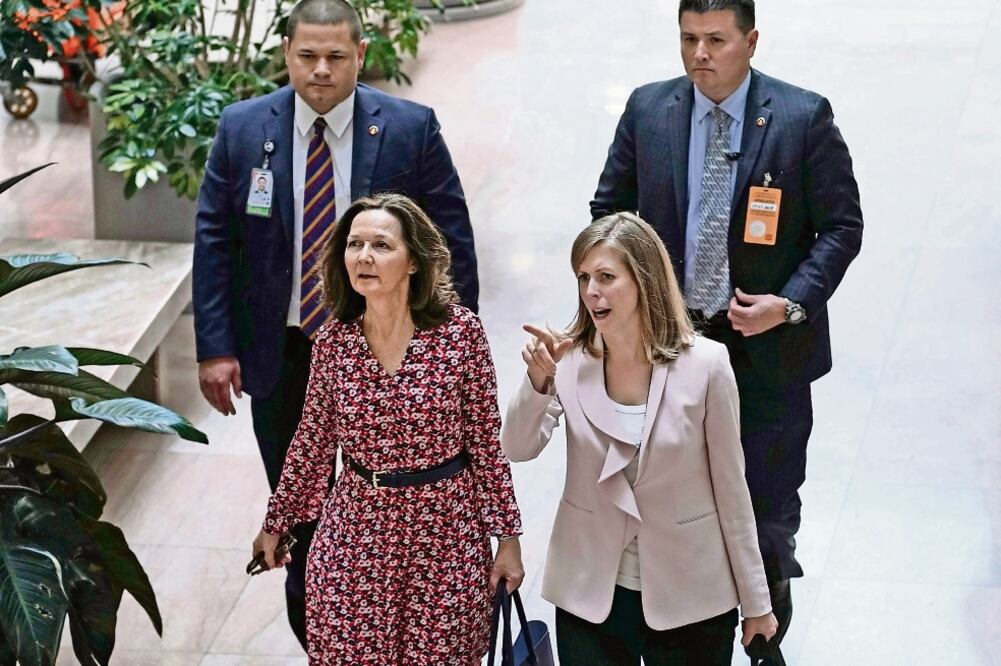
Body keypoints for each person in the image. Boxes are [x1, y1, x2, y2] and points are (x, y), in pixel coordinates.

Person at [193, 0, 478, 647]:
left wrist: (455, 350)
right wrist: (215, 347)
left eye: (335, 56)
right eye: (306, 55)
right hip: (285, 350)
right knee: (301, 513)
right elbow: (214, 239)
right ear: (286, 54)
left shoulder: (409, 128)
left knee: (392, 502)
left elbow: (450, 239)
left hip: (390, 354)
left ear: (360, 54)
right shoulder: (243, 130)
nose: (320, 70)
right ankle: (325, 640)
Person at [590, 0, 863, 653]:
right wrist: (629, 301)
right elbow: (608, 212)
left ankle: (765, 636)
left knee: (765, 518)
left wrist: (789, 303)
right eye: (687, 39)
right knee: (676, 512)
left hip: (765, 358)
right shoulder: (648, 110)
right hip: (671, 351)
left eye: (715, 40)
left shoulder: (801, 119)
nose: (699, 55)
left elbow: (840, 227)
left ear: (751, 41)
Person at [252, 192, 524, 664]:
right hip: (356, 533)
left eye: (381, 245)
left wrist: (508, 538)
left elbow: (485, 445)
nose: (364, 256)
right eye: (355, 244)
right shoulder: (335, 342)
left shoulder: (461, 336)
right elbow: (313, 442)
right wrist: (277, 522)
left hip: (445, 536)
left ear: (414, 261)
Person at [502, 213, 776, 665]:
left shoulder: (707, 364)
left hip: (691, 594)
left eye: (606, 277)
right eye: (584, 277)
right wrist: (537, 383)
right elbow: (517, 447)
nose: (592, 291)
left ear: (644, 280)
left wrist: (757, 603)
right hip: (589, 590)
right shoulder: (568, 360)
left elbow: (732, 490)